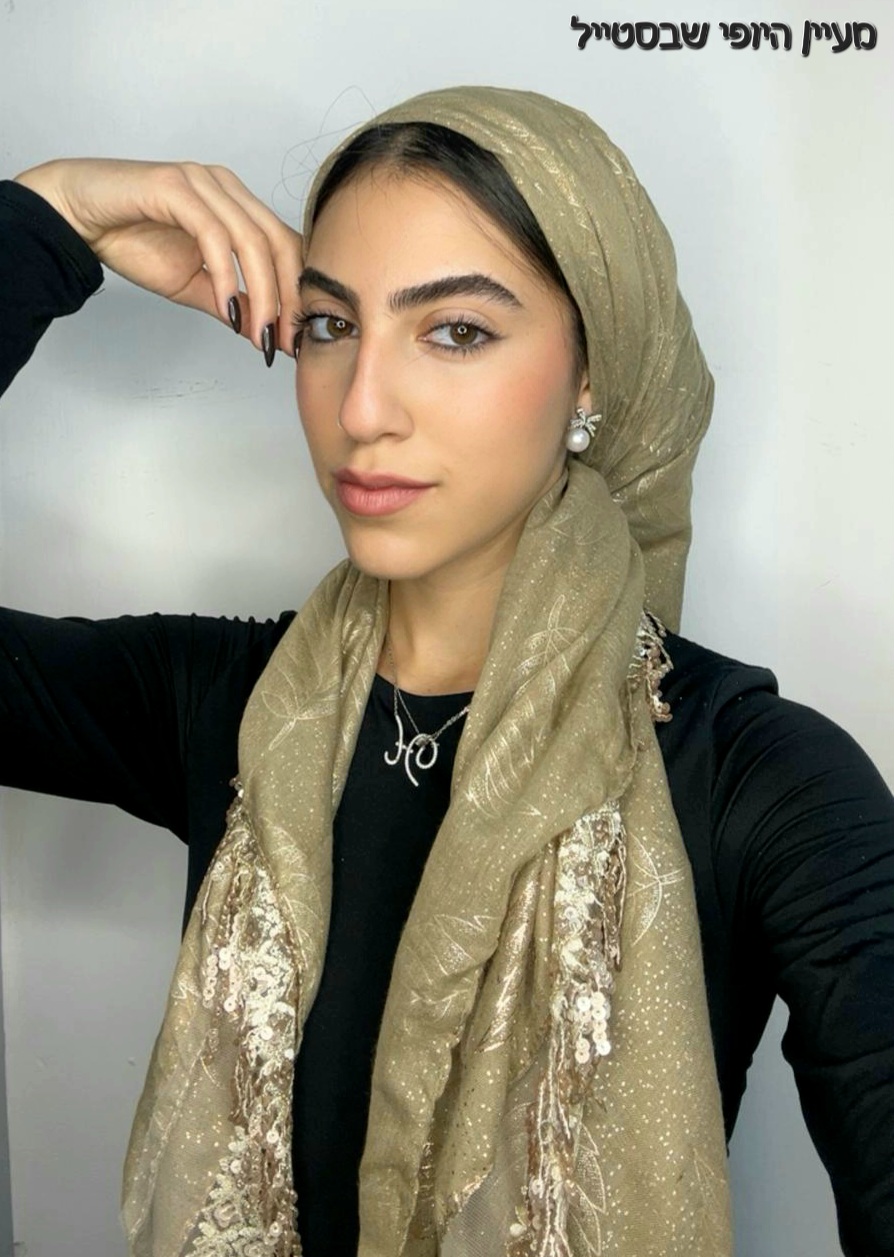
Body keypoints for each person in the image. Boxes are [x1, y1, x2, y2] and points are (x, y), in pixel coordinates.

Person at [1, 85, 892, 1257]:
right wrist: (48, 220)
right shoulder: (229, 702)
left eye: (457, 331)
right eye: (330, 325)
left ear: (592, 373)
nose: (363, 408)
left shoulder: (757, 778)